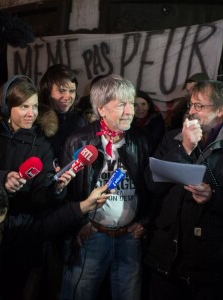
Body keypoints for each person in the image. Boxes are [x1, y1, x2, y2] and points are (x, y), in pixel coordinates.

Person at [0, 75, 76, 299]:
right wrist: (2, 179)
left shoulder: (42, 145)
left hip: (21, 232)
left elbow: (41, 197)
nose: (31, 113)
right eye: (24, 106)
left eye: (34, 106)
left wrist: (57, 188)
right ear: (6, 106)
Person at [60, 74, 153, 300]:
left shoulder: (141, 140)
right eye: (122, 105)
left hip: (130, 238)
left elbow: (152, 186)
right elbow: (65, 193)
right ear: (101, 109)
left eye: (131, 103)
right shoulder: (79, 141)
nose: (130, 110)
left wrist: (145, 221)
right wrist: (80, 224)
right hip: (92, 236)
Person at [144, 80, 223, 300]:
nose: (191, 112)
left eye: (199, 106)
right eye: (190, 105)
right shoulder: (173, 138)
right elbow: (152, 183)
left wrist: (212, 197)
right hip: (165, 259)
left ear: (220, 110)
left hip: (209, 267)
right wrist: (185, 147)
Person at [39, 64, 87, 158]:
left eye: (72, 91)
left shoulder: (80, 121)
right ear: (48, 92)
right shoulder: (36, 121)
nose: (67, 97)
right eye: (61, 91)